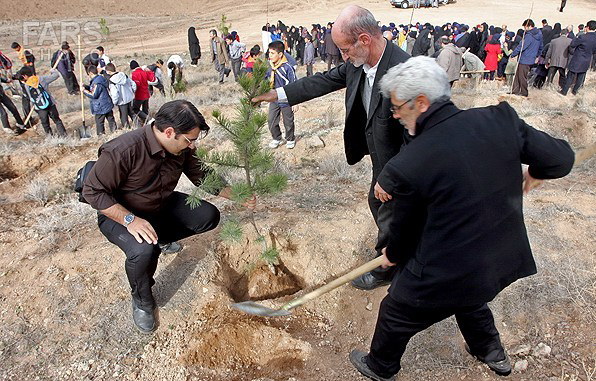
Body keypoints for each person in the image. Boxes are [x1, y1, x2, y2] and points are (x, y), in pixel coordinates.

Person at [348, 56, 575, 381]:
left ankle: (380, 366)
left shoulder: (412, 162)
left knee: (396, 312)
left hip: (445, 270)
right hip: (498, 260)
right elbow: (561, 159)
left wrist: (392, 255)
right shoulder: (500, 119)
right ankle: (491, 351)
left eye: (398, 108)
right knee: (470, 297)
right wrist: (538, 170)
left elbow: (405, 229)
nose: (395, 115)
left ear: (422, 102)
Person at [253, 5, 410, 289]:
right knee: (383, 205)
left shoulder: (404, 72)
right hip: (380, 155)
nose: (342, 57)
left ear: (364, 39)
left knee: (387, 204)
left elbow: (415, 138)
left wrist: (392, 177)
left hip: (401, 161)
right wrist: (276, 94)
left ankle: (389, 266)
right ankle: (399, 254)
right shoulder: (357, 62)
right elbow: (323, 81)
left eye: (345, 50)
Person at [82, 100, 250, 334]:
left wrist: (237, 195)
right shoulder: (124, 149)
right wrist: (131, 220)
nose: (192, 146)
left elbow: (200, 174)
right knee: (143, 251)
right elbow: (93, 192)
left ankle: (158, 237)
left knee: (208, 216)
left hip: (159, 205)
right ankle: (142, 300)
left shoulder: (181, 148)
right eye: (189, 140)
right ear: (169, 132)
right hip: (121, 215)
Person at [18, 66, 67, 137]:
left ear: (25, 76)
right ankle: (64, 135)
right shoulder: (42, 79)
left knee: (45, 124)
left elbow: (30, 97)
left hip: (39, 108)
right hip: (50, 104)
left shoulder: (27, 86)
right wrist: (53, 71)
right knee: (57, 120)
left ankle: (50, 137)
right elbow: (56, 76)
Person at [266, 40, 297, 149]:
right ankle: (277, 137)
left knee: (288, 120)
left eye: (272, 53)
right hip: (274, 98)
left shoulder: (287, 67)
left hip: (286, 97)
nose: (270, 55)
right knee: (271, 120)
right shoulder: (269, 67)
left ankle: (290, 138)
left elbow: (294, 84)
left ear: (280, 54)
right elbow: (265, 80)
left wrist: (295, 101)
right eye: (269, 53)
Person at [561, 20, 596, 95]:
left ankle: (564, 91)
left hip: (578, 59)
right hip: (587, 59)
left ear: (588, 27)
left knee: (570, 76)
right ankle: (575, 91)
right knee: (581, 77)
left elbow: (573, 44)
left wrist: (576, 38)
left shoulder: (583, 37)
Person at [510, 19, 543, 97]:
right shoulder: (539, 34)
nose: (524, 29)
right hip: (530, 58)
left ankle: (524, 93)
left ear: (529, 26)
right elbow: (541, 46)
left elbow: (521, 46)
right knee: (518, 75)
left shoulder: (529, 36)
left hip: (525, 59)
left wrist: (513, 54)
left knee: (522, 76)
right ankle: (515, 91)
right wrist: (537, 56)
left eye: (525, 27)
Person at [82, 65, 117, 135]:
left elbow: (93, 94)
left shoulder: (97, 83)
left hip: (100, 106)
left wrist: (84, 91)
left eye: (89, 74)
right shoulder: (100, 79)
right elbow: (94, 89)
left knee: (99, 122)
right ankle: (115, 132)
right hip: (107, 103)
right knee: (111, 119)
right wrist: (86, 87)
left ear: (91, 73)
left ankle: (101, 135)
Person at [106, 63, 137, 129]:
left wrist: (115, 102)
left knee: (124, 117)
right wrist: (132, 93)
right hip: (130, 98)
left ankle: (127, 130)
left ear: (108, 71)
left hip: (122, 102)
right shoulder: (124, 75)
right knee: (133, 114)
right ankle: (139, 126)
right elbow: (133, 84)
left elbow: (115, 94)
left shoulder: (112, 81)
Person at [130, 60, 155, 124]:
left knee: (135, 109)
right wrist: (149, 71)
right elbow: (153, 79)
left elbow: (134, 86)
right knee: (145, 109)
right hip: (146, 93)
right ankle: (146, 122)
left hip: (139, 95)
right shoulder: (144, 72)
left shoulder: (134, 74)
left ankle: (149, 119)